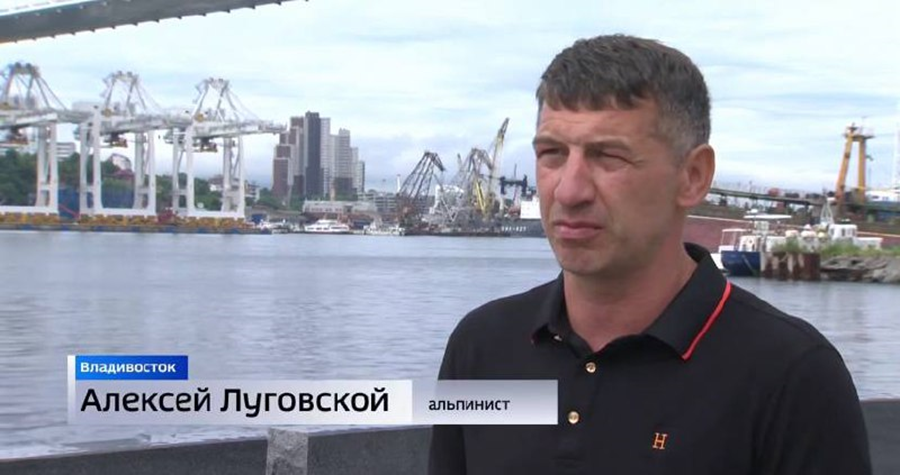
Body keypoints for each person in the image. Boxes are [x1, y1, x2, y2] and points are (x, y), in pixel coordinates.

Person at [428, 34, 871, 475]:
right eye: (552, 154)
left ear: (692, 176)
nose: (569, 190)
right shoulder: (481, 347)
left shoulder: (791, 376)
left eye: (609, 157)